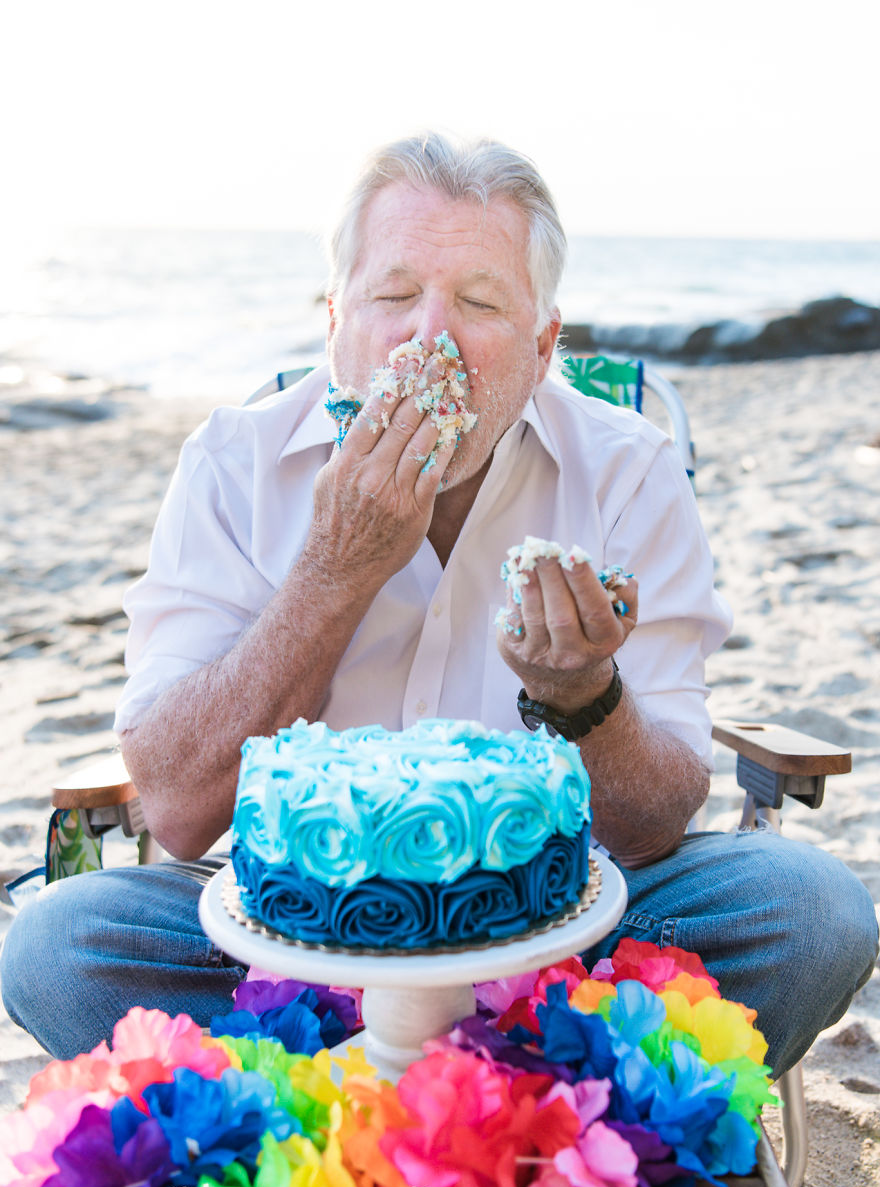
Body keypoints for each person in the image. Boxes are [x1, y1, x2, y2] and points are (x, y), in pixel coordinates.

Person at [2, 134, 876, 1070]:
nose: (430, 339)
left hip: (562, 937)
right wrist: (334, 573)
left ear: (543, 348)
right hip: (290, 934)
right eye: (393, 296)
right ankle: (506, 1100)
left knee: (810, 910)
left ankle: (383, 1100)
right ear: (334, 321)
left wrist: (582, 696)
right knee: (60, 945)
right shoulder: (231, 464)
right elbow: (176, 810)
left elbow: (659, 820)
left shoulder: (627, 470)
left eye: (480, 303)